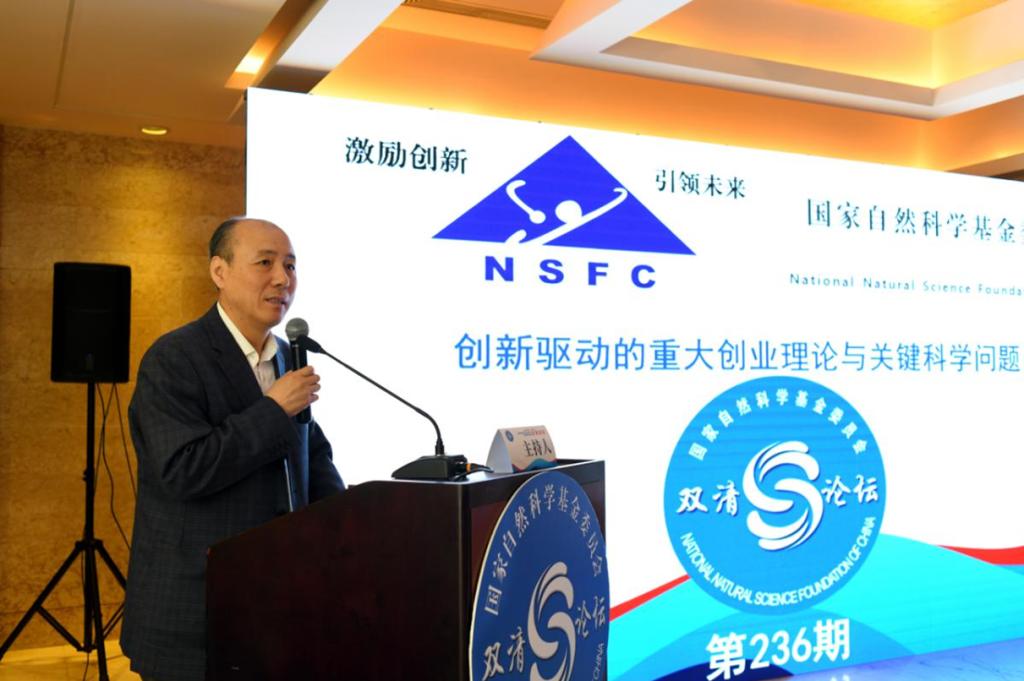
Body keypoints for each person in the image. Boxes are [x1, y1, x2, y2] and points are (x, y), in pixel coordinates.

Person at [122, 217, 345, 681]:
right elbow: (183, 469)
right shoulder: (174, 358)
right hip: (196, 614)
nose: (282, 279)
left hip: (277, 611)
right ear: (219, 272)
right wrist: (273, 408)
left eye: (290, 266)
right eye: (265, 263)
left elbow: (311, 458)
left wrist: (354, 519)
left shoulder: (285, 357)